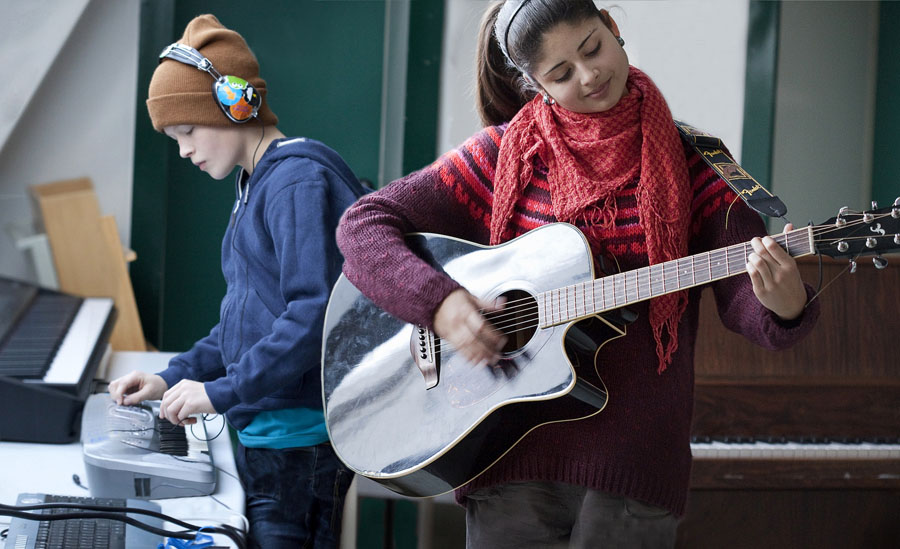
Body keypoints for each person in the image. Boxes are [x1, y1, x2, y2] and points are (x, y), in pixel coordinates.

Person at [335, 1, 820, 547]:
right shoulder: (502, 157)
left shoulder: (697, 163)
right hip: (509, 454)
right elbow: (363, 226)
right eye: (561, 74)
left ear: (613, 28)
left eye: (593, 48)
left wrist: (783, 304)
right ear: (534, 84)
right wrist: (441, 303)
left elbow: (743, 297)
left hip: (634, 468)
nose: (589, 76)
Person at [108, 14, 363, 549]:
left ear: (233, 104)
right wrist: (175, 376)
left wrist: (220, 392)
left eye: (187, 131)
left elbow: (312, 315)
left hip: (297, 445)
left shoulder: (297, 180)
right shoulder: (257, 183)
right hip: (264, 434)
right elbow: (245, 318)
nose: (183, 150)